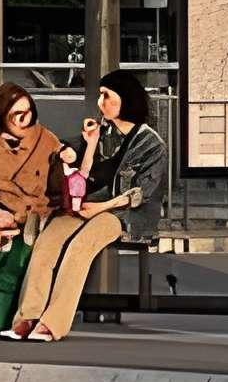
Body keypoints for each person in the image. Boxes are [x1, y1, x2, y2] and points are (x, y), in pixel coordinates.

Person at [11, 70, 165, 343]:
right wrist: (87, 145)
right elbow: (83, 177)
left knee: (80, 247)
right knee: (47, 242)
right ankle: (28, 316)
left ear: (125, 99)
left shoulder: (151, 144)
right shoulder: (101, 133)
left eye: (107, 95)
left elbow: (140, 194)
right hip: (88, 205)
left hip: (124, 213)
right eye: (100, 95)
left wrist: (101, 208)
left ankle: (52, 323)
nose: (100, 102)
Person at [0, 80, 65, 299]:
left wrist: (65, 161)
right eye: (16, 114)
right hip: (0, 214)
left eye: (28, 112)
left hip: (39, 216)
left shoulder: (46, 139)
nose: (23, 119)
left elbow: (58, 186)